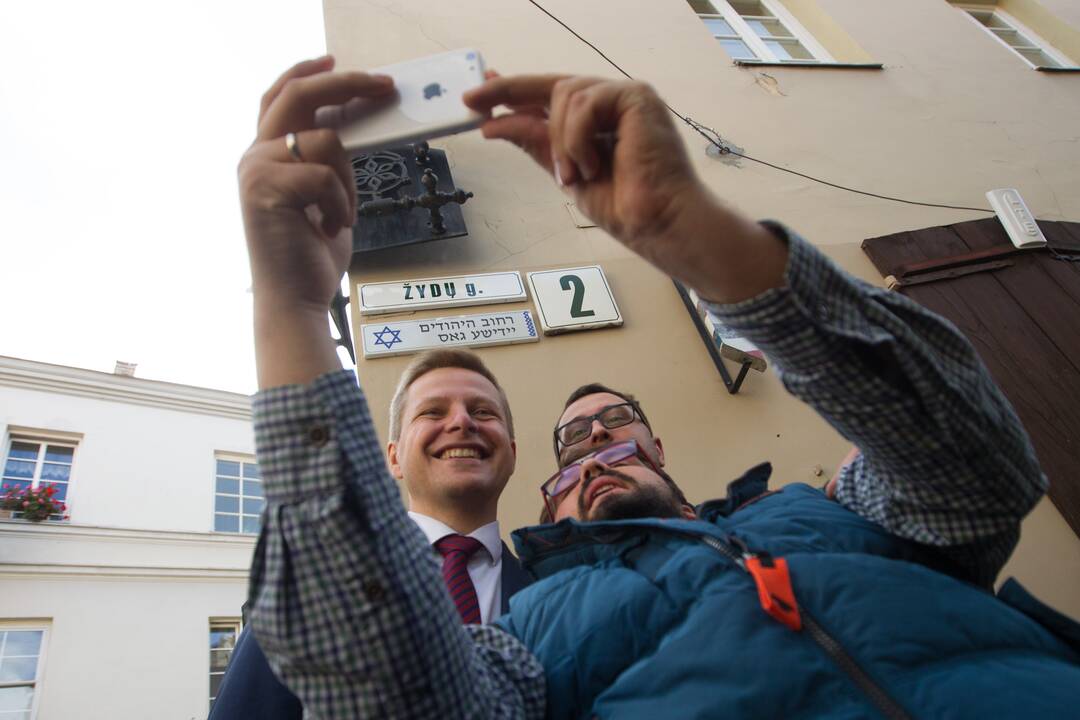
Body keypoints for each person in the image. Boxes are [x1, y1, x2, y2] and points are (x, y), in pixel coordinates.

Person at [237, 56, 1080, 718]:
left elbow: (977, 468)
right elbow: (394, 692)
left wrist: (705, 237)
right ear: (545, 494)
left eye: (614, 425)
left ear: (661, 450)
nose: (597, 441)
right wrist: (293, 307)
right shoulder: (522, 636)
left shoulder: (834, 509)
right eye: (574, 441)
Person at [210, 345, 531, 718]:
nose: (462, 422)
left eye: (482, 411)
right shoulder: (313, 584)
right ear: (394, 458)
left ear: (511, 452)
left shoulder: (548, 592)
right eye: (432, 412)